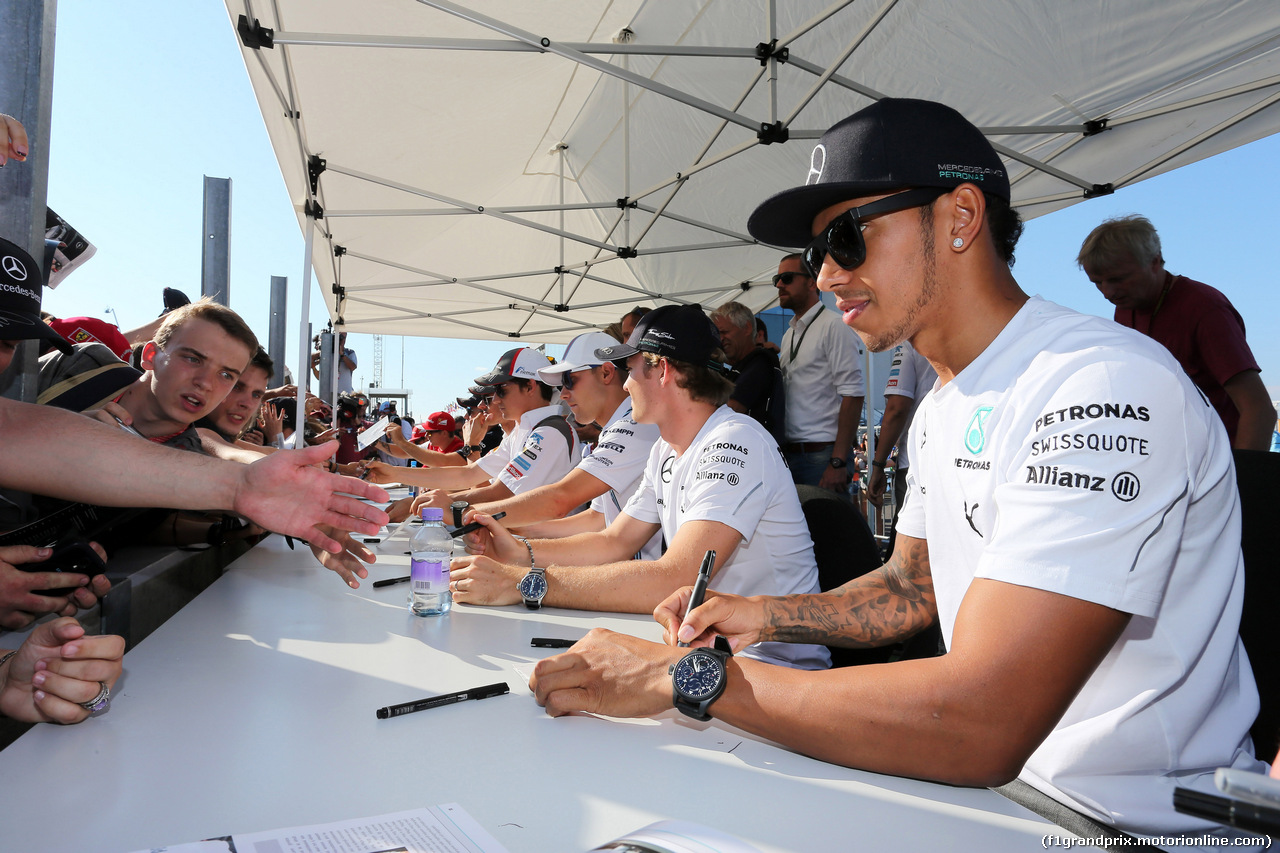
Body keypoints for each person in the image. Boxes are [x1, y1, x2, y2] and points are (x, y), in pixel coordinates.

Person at [528, 98, 1263, 838]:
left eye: (846, 238)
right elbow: (913, 586)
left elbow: (986, 715)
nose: (824, 277)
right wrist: (763, 613)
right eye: (817, 255)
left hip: (1121, 822)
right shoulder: (945, 403)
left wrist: (684, 678)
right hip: (996, 797)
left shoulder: (1100, 384)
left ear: (960, 216)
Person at [452, 306, 828, 671]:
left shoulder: (736, 442)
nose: (625, 382)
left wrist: (524, 582)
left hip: (774, 667)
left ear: (661, 370)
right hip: (711, 654)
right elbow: (613, 539)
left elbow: (673, 576)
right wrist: (520, 552)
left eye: (630, 369)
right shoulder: (666, 448)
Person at [459, 331, 662, 560]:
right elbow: (595, 519)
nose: (563, 394)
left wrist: (458, 514)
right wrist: (520, 532)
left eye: (569, 380)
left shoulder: (635, 427)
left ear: (606, 372)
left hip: (641, 582)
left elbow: (559, 500)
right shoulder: (617, 427)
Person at [1078, 215, 1275, 450]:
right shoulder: (1125, 307)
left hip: (1218, 461)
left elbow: (1258, 410)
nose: (1107, 292)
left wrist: (1244, 480)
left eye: (1118, 279)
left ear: (1155, 261)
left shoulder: (1205, 309)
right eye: (1097, 283)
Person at [366, 348, 580, 509]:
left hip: (545, 553)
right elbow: (469, 474)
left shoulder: (549, 432)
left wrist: (444, 503)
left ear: (531, 386)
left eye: (501, 390)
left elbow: (500, 493)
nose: (495, 400)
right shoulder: (525, 431)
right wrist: (394, 473)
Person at [774, 252, 865, 490]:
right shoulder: (789, 335)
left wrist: (837, 461)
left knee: (826, 526)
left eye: (786, 278)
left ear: (812, 282)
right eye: (777, 279)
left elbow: (853, 395)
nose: (779, 285)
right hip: (792, 455)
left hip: (822, 455)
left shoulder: (834, 326)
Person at [867, 340, 936, 513]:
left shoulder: (912, 343)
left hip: (916, 463)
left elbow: (897, 408)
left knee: (911, 534)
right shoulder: (976, 332)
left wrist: (878, 465)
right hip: (963, 460)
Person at [710, 301, 785, 443]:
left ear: (747, 328)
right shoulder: (749, 363)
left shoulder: (760, 362)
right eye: (717, 334)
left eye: (725, 332)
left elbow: (729, 411)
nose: (720, 339)